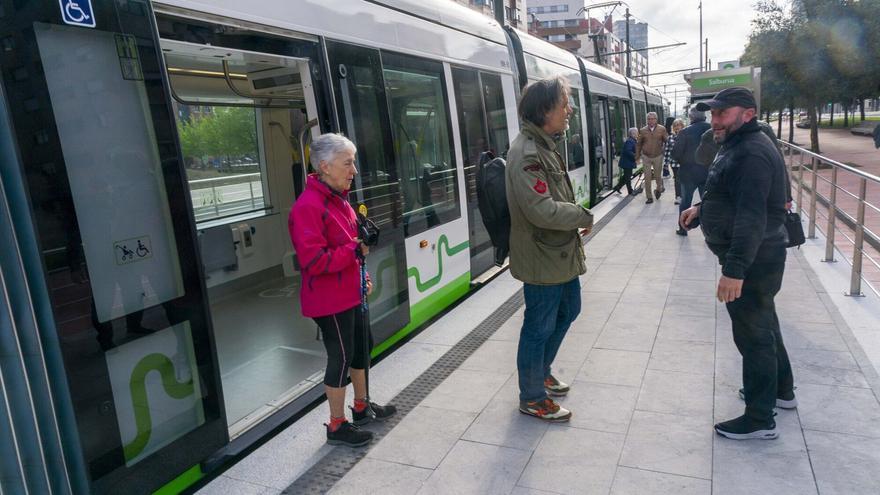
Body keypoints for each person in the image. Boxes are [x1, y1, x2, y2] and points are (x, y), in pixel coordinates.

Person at [679, 87, 795, 440]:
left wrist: (734, 270)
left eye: (722, 114)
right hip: (761, 254)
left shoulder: (751, 153)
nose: (714, 121)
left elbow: (751, 217)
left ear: (747, 114)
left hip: (754, 258)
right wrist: (701, 210)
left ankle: (760, 418)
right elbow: (731, 194)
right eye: (712, 114)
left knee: (753, 335)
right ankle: (780, 391)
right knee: (766, 324)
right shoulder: (739, 144)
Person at [289, 133, 396, 447]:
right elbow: (314, 260)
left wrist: (361, 275)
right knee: (342, 356)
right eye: (348, 163)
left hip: (351, 291)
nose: (354, 170)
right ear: (325, 165)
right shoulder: (307, 207)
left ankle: (361, 407)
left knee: (363, 346)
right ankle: (336, 426)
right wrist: (354, 251)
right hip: (329, 300)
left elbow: (351, 244)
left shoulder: (339, 199)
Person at [506, 76, 594, 422]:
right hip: (542, 255)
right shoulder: (527, 153)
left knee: (569, 309)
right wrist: (581, 215)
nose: (568, 110)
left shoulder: (544, 144)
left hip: (558, 252)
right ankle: (531, 396)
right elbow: (541, 209)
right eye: (564, 104)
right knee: (538, 325)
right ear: (544, 110)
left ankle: (540, 370)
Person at [672, 108, 712, 235]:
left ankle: (683, 228)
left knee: (685, 202)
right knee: (706, 203)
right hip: (707, 173)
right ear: (704, 117)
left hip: (688, 173)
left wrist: (684, 161)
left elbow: (675, 154)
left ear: (691, 117)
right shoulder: (712, 129)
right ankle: (708, 232)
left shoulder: (684, 132)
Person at [636, 111, 668, 204]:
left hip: (658, 156)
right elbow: (638, 144)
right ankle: (649, 197)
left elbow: (667, 141)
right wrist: (637, 157)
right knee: (647, 177)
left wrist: (666, 152)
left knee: (658, 176)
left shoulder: (662, 129)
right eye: (649, 119)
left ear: (656, 119)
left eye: (653, 119)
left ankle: (658, 189)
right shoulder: (642, 130)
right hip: (646, 156)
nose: (651, 121)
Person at [664, 118, 685, 204]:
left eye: (678, 125)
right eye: (675, 126)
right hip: (674, 163)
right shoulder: (670, 137)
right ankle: (678, 197)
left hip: (685, 163)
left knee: (684, 180)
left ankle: (684, 195)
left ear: (682, 126)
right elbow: (667, 150)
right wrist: (665, 164)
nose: (677, 127)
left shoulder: (686, 136)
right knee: (677, 179)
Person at [614, 127, 638, 195]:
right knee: (628, 177)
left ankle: (617, 187)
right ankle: (630, 191)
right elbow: (628, 151)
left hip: (628, 162)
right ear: (633, 134)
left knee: (627, 176)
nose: (637, 134)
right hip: (627, 162)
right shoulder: (630, 141)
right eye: (636, 133)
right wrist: (635, 155)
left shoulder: (632, 140)